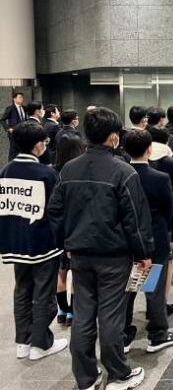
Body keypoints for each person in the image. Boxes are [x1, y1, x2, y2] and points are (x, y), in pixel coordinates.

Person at [48, 107, 154, 390]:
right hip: (114, 256)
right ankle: (118, 374)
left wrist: (65, 244)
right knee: (111, 316)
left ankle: (86, 377)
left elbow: (55, 211)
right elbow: (135, 219)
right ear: (113, 137)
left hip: (79, 254)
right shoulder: (124, 171)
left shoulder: (69, 169)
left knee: (83, 314)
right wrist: (144, 254)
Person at [0, 122, 67, 361]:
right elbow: (58, 211)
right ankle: (41, 343)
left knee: (22, 290)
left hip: (15, 243)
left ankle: (23, 341)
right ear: (38, 145)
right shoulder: (46, 174)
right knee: (44, 294)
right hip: (43, 243)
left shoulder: (6, 171)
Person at [124, 129, 173, 353]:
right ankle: (157, 335)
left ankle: (124, 335)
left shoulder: (121, 175)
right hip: (155, 238)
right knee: (154, 288)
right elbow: (169, 208)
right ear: (149, 149)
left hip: (128, 240)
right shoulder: (160, 178)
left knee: (130, 288)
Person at [147, 126, 173, 313]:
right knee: (166, 262)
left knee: (149, 264)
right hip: (171, 217)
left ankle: (151, 301)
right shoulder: (172, 163)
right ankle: (162, 302)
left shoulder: (139, 163)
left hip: (146, 221)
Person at [54, 134, 86, 328]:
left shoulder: (53, 172)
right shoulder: (78, 172)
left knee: (61, 273)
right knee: (76, 274)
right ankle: (73, 312)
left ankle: (61, 311)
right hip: (74, 230)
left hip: (57, 232)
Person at [1, 91, 26, 161]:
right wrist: (8, 128)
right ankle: (10, 165)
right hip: (13, 133)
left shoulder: (24, 108)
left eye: (22, 97)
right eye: (20, 97)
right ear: (14, 99)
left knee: (22, 151)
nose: (22, 99)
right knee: (13, 151)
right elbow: (2, 120)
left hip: (23, 133)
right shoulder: (10, 108)